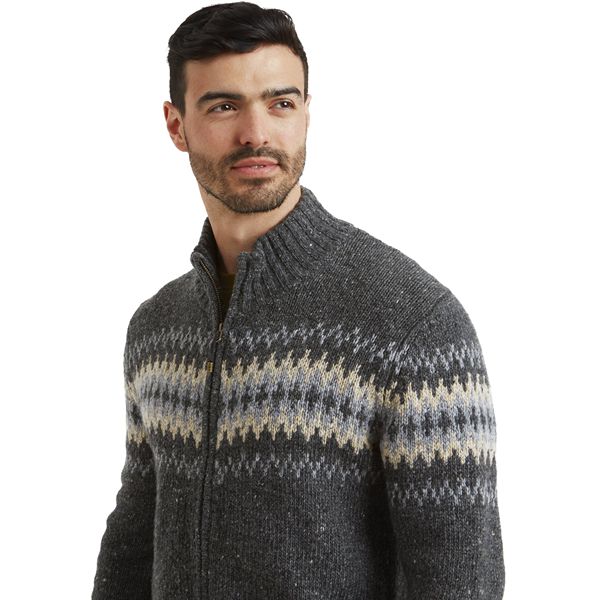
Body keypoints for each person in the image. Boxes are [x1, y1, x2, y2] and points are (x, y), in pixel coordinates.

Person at [91, 3, 505, 599]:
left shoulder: (411, 323)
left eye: (280, 103)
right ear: (176, 125)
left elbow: (460, 583)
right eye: (224, 106)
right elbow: (133, 543)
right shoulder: (156, 328)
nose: (256, 134)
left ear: (306, 113)